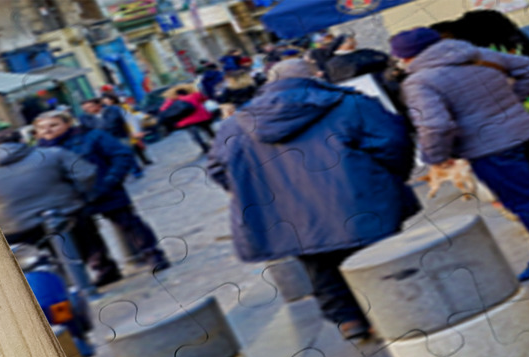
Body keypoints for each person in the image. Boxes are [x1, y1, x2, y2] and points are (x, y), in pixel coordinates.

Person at [206, 58, 418, 341]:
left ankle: (349, 319)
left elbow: (218, 169)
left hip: (287, 211)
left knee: (319, 263)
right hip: (357, 196)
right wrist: (388, 179)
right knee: (377, 254)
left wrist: (255, 191)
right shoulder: (350, 103)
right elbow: (393, 143)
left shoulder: (234, 124)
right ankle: (394, 309)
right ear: (316, 76)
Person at [391, 27, 529, 282]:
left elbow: (436, 125)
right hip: (523, 131)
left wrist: (435, 156)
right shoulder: (474, 53)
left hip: (488, 146)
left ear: (408, 57)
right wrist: (512, 102)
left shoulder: (420, 82)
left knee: (524, 199)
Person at [33, 109, 169, 279]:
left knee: (129, 225)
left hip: (106, 190)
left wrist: (111, 180)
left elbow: (122, 155)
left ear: (67, 123)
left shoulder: (92, 136)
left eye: (53, 125)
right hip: (72, 201)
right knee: (87, 237)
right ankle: (104, 269)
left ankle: (153, 256)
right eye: (42, 128)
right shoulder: (37, 153)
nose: (48, 130)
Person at [0, 129, 98, 252]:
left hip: (18, 228)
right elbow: (86, 174)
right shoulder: (54, 153)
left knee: (33, 264)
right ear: (23, 141)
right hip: (67, 215)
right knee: (90, 250)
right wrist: (79, 196)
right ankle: (98, 264)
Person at [159, 85, 216, 151]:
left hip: (187, 121)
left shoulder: (173, 100)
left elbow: (163, 109)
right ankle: (216, 141)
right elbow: (205, 99)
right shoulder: (195, 95)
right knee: (208, 129)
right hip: (202, 117)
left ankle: (203, 146)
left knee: (194, 134)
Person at [322, 33, 390, 83]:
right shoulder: (334, 63)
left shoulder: (364, 51)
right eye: (350, 40)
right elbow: (357, 69)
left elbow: (384, 56)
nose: (354, 41)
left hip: (386, 80)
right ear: (341, 46)